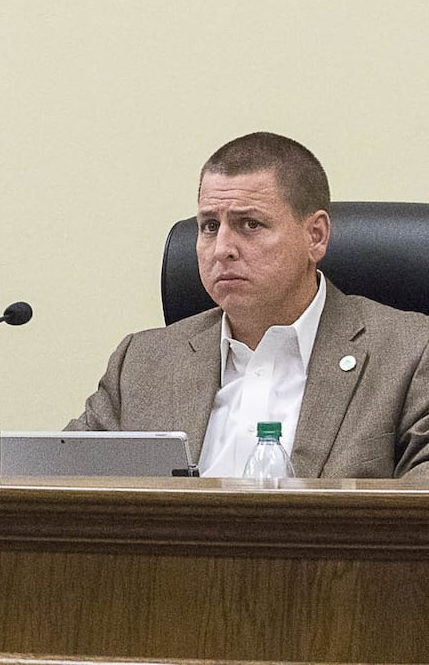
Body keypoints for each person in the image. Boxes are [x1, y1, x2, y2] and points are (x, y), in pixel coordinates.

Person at [69, 132, 429, 479]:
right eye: (210, 226)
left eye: (250, 224)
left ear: (315, 236)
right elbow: (59, 483)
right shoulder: (142, 364)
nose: (222, 248)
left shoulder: (410, 353)